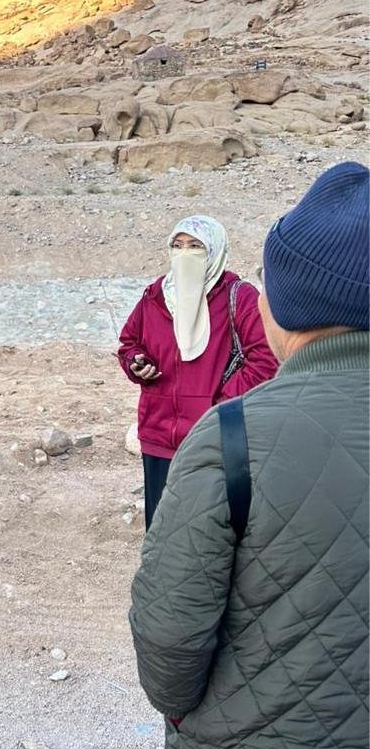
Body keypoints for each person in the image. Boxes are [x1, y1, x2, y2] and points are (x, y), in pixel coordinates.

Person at [129, 161, 369, 749]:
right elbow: (132, 341)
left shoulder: (234, 438)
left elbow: (169, 642)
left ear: (284, 303)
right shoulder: (157, 300)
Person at [117, 215, 278, 528]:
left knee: (209, 529)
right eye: (177, 246)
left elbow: (265, 359)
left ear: (214, 250)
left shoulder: (239, 297)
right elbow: (129, 343)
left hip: (215, 437)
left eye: (195, 246)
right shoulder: (156, 296)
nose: (184, 254)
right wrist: (137, 363)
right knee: (161, 528)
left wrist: (221, 406)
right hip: (159, 434)